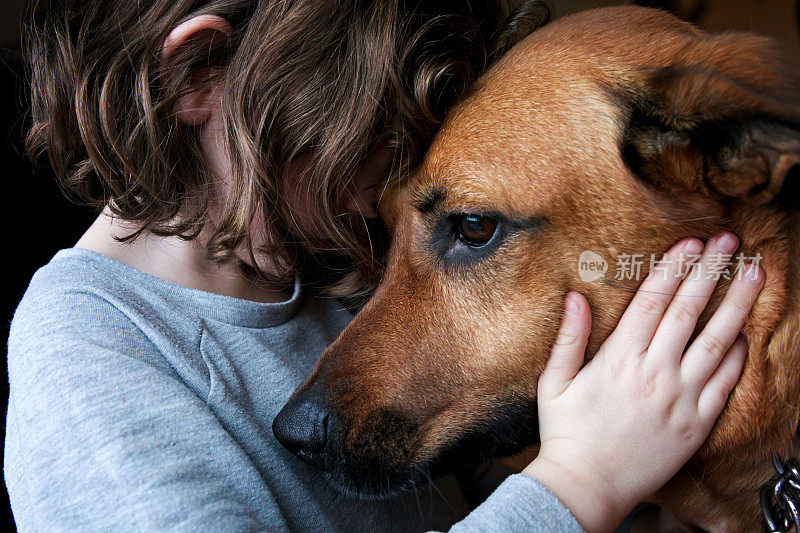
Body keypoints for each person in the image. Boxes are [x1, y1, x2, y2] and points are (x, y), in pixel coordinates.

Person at [5, 0, 764, 531]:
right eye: (363, 139)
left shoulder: (333, 262)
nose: (373, 196)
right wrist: (580, 484)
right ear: (197, 75)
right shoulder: (85, 350)